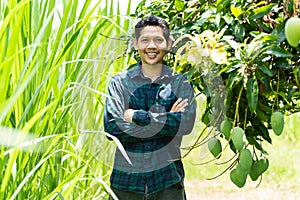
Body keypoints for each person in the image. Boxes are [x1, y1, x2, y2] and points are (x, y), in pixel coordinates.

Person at [104, 15, 196, 200]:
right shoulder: (120, 83)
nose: (151, 46)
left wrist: (138, 116)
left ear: (169, 44)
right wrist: (167, 119)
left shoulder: (180, 84)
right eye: (145, 40)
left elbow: (185, 125)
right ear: (136, 43)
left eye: (158, 40)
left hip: (168, 182)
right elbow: (112, 128)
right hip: (126, 183)